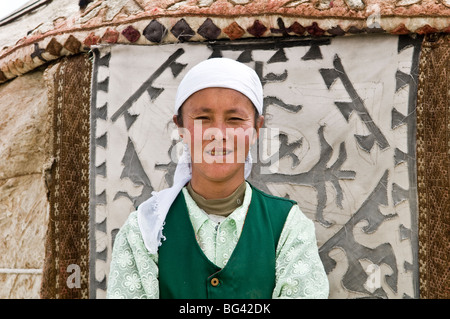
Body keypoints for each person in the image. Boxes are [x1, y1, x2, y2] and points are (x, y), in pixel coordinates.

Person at [107, 57, 329, 299]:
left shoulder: (288, 227)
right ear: (180, 128)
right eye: (203, 118)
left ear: (256, 129)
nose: (219, 134)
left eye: (235, 119)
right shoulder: (143, 231)